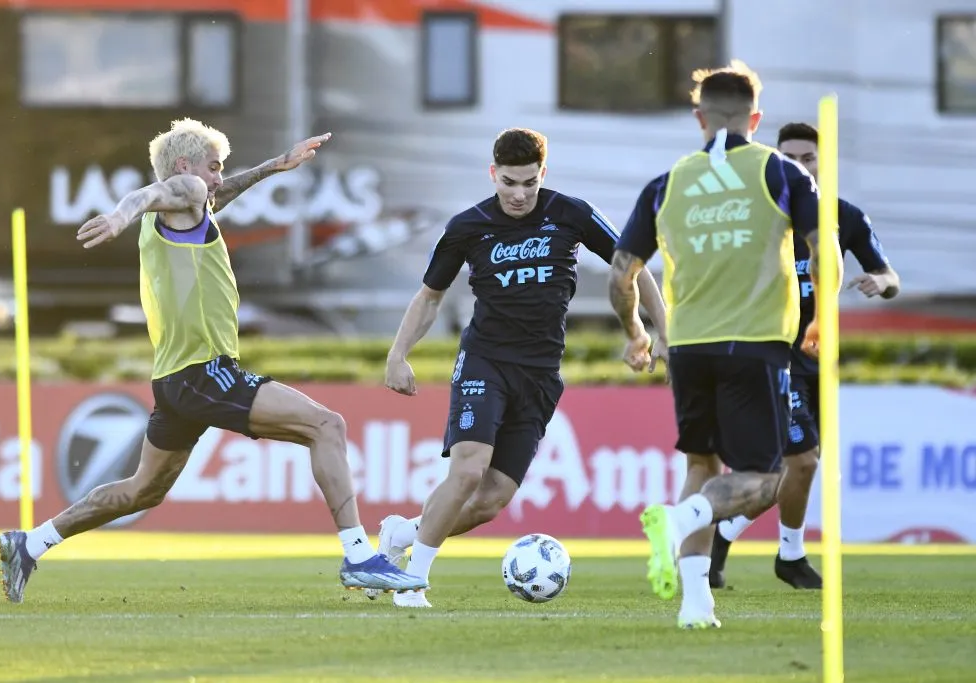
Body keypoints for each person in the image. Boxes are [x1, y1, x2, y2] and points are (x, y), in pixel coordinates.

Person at [0, 118, 426, 603]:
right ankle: (357, 555)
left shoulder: (191, 211)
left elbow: (212, 195)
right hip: (204, 371)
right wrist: (119, 215)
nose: (220, 178)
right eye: (214, 167)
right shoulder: (180, 190)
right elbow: (144, 195)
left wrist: (274, 166)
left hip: (177, 378)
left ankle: (29, 543)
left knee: (143, 490)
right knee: (326, 426)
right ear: (185, 168)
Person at [368, 127, 668, 608]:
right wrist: (398, 354)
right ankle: (412, 581)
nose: (519, 193)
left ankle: (404, 532)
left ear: (542, 174)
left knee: (490, 500)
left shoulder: (571, 213)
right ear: (494, 174)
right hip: (484, 361)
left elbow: (632, 268)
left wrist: (657, 332)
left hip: (541, 374)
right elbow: (430, 296)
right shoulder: (468, 226)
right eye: (509, 181)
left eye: (529, 182)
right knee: (467, 472)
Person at [608, 60, 843, 629]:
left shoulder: (667, 184)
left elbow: (621, 273)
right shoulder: (781, 173)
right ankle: (681, 517)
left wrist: (637, 332)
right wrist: (820, 320)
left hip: (687, 347)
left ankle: (696, 606)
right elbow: (825, 248)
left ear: (699, 119)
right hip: (754, 343)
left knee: (701, 462)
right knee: (764, 478)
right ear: (755, 118)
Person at [709, 122, 900, 590]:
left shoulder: (845, 217)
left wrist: (882, 283)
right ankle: (789, 556)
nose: (797, 164)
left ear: (823, 162)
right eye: (788, 156)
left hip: (822, 364)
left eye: (807, 157)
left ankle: (716, 538)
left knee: (786, 475)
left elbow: (889, 275)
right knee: (802, 464)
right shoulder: (758, 217)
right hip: (773, 359)